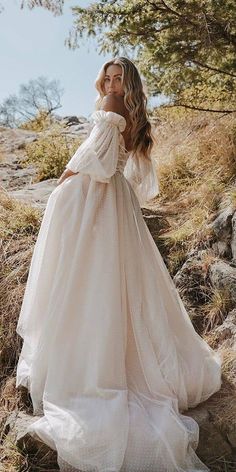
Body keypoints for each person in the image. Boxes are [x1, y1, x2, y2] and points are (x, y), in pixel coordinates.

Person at [16, 57, 222, 472]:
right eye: (106, 77)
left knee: (83, 281)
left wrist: (64, 179)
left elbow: (98, 158)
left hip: (93, 199)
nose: (109, 83)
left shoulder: (111, 105)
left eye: (116, 78)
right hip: (112, 201)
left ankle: (92, 370)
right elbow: (134, 173)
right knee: (111, 284)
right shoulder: (134, 113)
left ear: (125, 82)